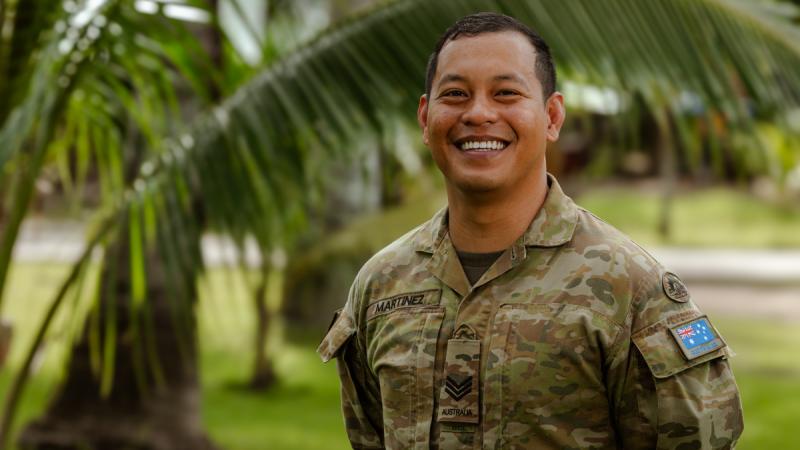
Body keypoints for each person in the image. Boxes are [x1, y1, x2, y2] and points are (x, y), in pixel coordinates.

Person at [317, 11, 744, 450]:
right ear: (426, 119)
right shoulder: (381, 284)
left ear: (552, 117)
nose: (478, 113)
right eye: (455, 94)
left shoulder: (630, 288)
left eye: (506, 93)